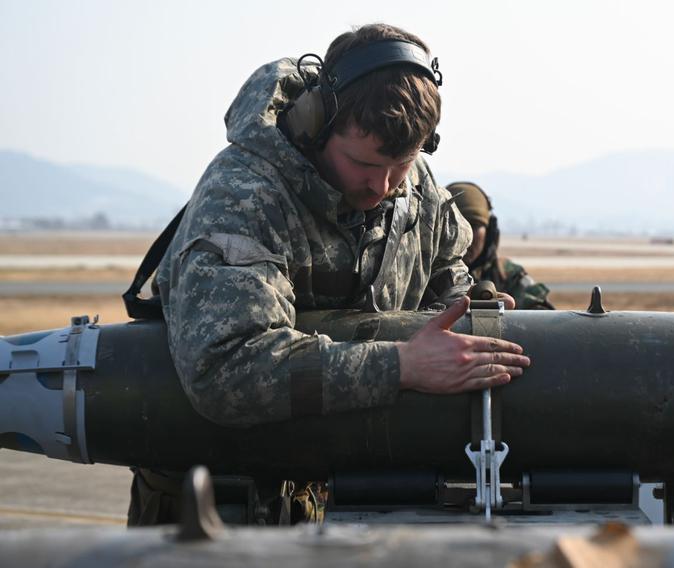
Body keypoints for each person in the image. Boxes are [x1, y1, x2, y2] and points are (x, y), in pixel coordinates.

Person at [128, 24, 530, 525]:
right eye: (362, 163)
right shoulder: (246, 194)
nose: (381, 186)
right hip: (214, 503)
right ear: (317, 123)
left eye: (400, 165)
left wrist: (468, 306)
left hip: (327, 496)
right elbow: (225, 369)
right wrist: (401, 365)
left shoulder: (416, 187)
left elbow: (446, 264)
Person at [448, 182, 554, 310]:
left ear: (490, 232)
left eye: (474, 226)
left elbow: (543, 317)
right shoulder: (426, 278)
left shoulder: (507, 275)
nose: (465, 236)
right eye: (455, 226)